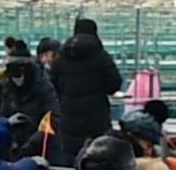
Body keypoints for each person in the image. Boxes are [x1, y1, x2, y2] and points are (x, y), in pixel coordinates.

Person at [48, 18, 122, 162]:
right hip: (96, 122)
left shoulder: (60, 58)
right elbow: (115, 84)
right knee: (96, 163)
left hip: (68, 122)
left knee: (70, 165)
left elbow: (53, 87)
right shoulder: (101, 56)